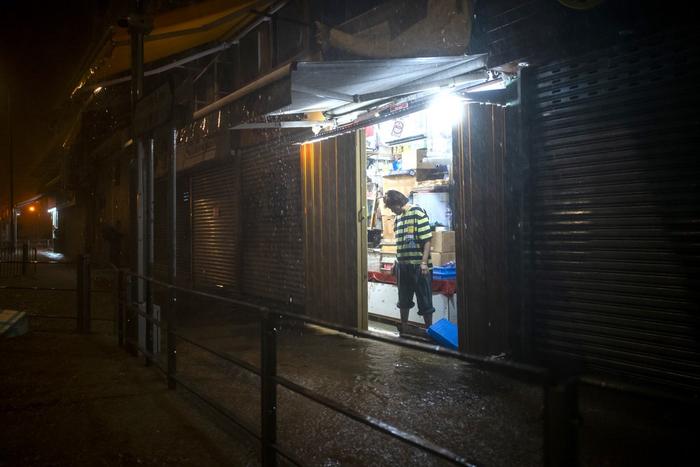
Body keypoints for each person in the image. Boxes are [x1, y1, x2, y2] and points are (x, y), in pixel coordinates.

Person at [383, 190, 435, 334]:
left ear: (399, 202)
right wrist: (396, 261)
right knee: (403, 299)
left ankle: (430, 331)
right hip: (402, 266)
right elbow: (400, 244)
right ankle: (404, 327)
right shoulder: (398, 219)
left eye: (393, 207)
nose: (392, 210)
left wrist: (424, 262)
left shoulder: (417, 212)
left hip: (419, 267)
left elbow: (427, 240)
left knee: (425, 301)